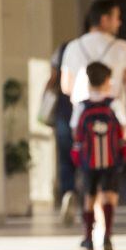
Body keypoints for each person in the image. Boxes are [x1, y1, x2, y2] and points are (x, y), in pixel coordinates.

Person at [61, 0, 126, 132]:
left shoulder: (73, 47)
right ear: (104, 19)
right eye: (117, 17)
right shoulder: (122, 48)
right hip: (114, 120)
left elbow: (66, 86)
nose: (119, 22)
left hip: (83, 121)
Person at [71, 63, 126, 250]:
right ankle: (107, 236)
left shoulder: (82, 105)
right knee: (108, 194)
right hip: (111, 159)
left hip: (88, 160)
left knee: (89, 195)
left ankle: (87, 236)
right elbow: (123, 129)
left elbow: (75, 131)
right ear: (107, 81)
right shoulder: (114, 103)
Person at [45, 41, 76, 226]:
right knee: (85, 156)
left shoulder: (61, 51)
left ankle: (68, 191)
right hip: (84, 112)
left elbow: (52, 80)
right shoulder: (85, 50)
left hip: (63, 113)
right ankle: (86, 194)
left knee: (65, 158)